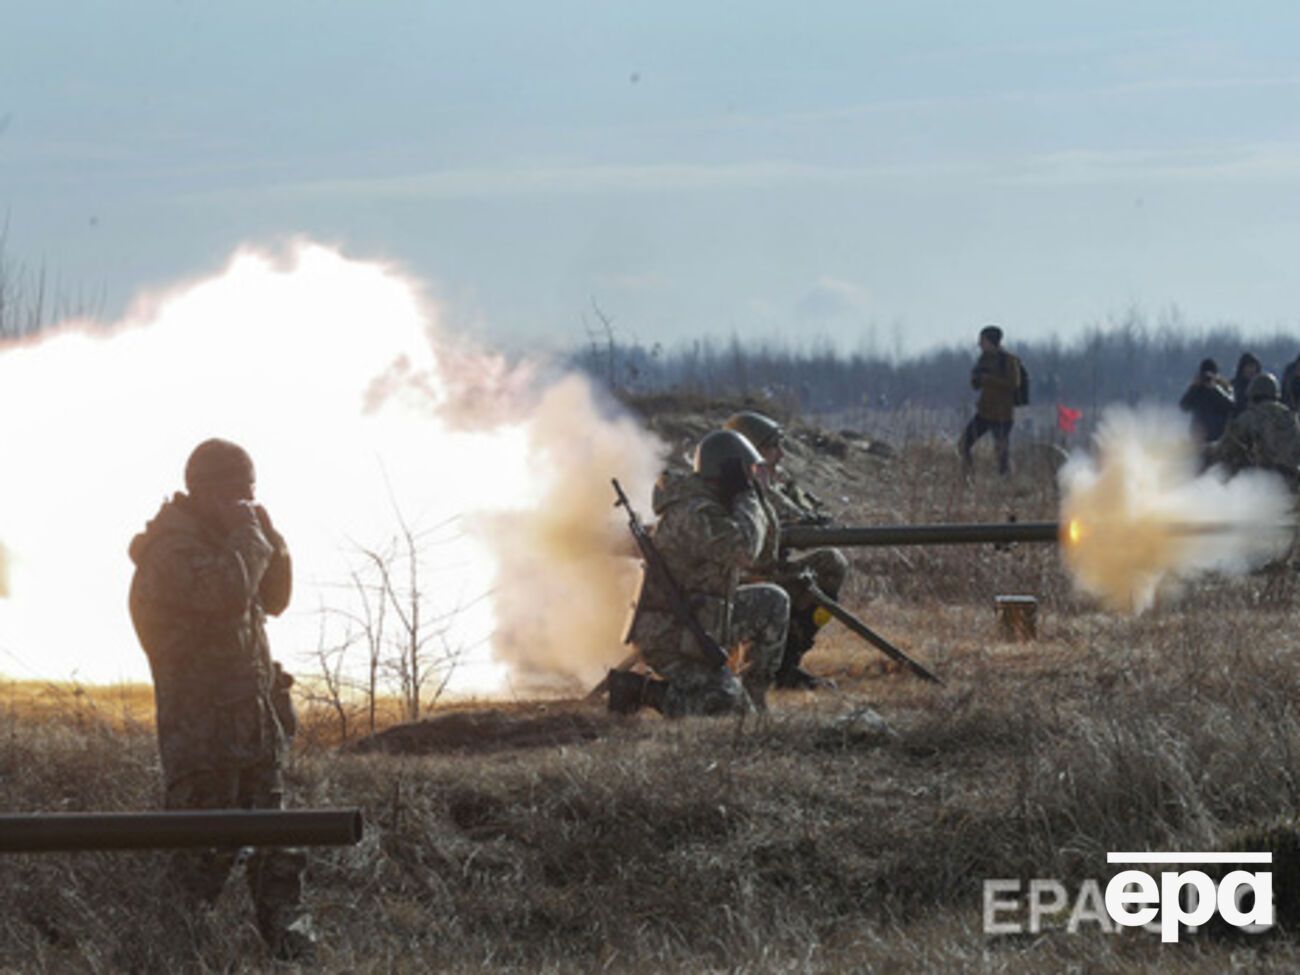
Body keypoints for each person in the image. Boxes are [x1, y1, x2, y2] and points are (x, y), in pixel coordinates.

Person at [128, 438, 314, 961]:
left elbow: (273, 599)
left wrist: (268, 536)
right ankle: (166, 960)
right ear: (206, 493)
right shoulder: (171, 553)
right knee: (199, 864)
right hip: (204, 744)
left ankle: (290, 953)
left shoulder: (235, 543)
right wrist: (247, 538)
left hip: (255, 735)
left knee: (280, 855)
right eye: (236, 491)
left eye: (251, 490)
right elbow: (226, 595)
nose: (246, 501)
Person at [614, 430, 789, 717]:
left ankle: (753, 694)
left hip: (701, 619)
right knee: (724, 706)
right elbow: (743, 550)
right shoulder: (693, 513)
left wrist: (755, 497)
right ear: (727, 472)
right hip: (670, 636)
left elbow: (763, 557)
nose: (752, 476)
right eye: (747, 471)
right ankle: (639, 690)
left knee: (773, 601)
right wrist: (746, 497)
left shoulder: (716, 506)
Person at [723, 410, 849, 689]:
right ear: (750, 450)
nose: (780, 455)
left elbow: (805, 517)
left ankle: (787, 663)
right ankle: (768, 670)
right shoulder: (735, 485)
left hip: (765, 570)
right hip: (742, 580)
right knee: (815, 574)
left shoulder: (766, 482)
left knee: (831, 564)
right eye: (773, 447)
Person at [1209, 373, 1300, 487]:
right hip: (1292, 483)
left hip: (1259, 484)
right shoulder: (1291, 417)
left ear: (1253, 395)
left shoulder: (1249, 418)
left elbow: (1226, 449)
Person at [959, 325, 1022, 479]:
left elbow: (1014, 383)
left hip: (1002, 415)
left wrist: (988, 379)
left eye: (982, 340)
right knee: (963, 445)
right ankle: (968, 479)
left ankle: (1005, 482)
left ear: (991, 341)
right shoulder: (983, 360)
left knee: (1001, 452)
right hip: (984, 413)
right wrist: (976, 377)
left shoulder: (1009, 360)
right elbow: (975, 386)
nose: (979, 344)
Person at [1178, 358, 1235, 444]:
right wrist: (1194, 388)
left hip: (1218, 437)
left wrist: (1215, 389)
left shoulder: (1224, 387)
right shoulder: (1197, 389)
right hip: (1199, 437)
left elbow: (1230, 406)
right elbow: (1184, 406)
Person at [1230, 353, 1262, 417]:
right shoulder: (1233, 386)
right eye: (1249, 366)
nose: (1251, 370)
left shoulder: (1262, 386)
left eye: (1253, 367)